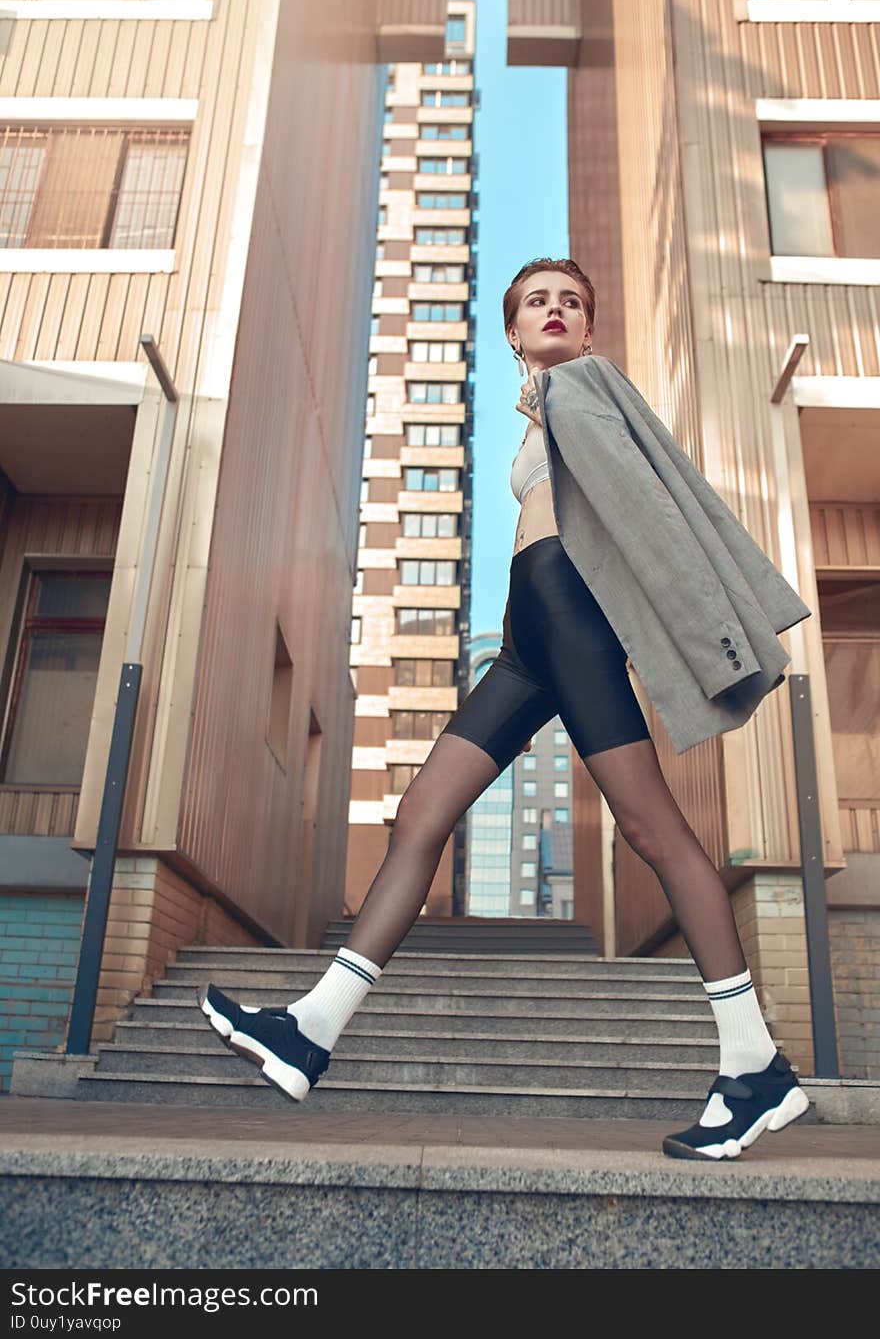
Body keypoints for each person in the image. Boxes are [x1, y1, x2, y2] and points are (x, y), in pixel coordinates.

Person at [199, 258, 810, 1161]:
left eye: (570, 301)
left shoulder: (583, 384)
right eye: (536, 303)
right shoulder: (544, 406)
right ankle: (310, 1030)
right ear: (513, 333)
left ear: (587, 330)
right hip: (529, 643)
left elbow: (649, 511)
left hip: (571, 614)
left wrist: (708, 629)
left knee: (654, 830)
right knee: (420, 814)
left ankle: (754, 1068)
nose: (555, 310)